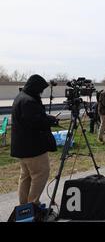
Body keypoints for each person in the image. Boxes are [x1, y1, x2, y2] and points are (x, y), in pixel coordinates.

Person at [11, 74, 58, 205]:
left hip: (22, 148)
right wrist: (51, 120)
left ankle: (24, 208)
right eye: (40, 89)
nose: (41, 92)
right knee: (40, 174)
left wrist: (45, 117)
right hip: (32, 148)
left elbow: (32, 118)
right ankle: (32, 205)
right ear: (35, 88)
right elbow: (36, 122)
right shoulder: (29, 102)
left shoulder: (21, 98)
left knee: (25, 177)